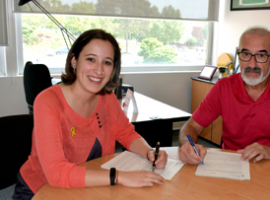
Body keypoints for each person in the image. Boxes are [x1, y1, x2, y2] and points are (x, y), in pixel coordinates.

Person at [13, 29, 168, 200]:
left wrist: (149, 152)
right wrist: (120, 177)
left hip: (87, 184)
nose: (99, 70)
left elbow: (125, 132)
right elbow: (56, 173)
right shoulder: (48, 101)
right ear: (74, 60)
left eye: (107, 62)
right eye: (91, 59)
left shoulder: (106, 97)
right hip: (41, 190)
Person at [179, 27, 270, 165]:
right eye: (246, 54)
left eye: (261, 56)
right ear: (238, 55)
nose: (252, 64)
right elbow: (191, 127)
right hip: (232, 164)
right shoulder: (223, 87)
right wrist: (187, 145)